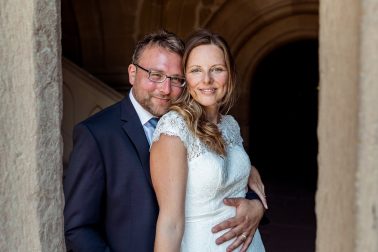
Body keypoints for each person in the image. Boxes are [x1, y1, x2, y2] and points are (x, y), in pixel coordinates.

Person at [64, 30, 266, 252]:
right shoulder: (97, 134)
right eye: (155, 75)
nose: (165, 89)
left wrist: (257, 202)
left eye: (176, 79)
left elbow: (220, 179)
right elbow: (78, 228)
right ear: (132, 73)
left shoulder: (210, 124)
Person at [150, 29, 266, 252]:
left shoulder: (230, 124)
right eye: (196, 70)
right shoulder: (174, 128)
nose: (206, 80)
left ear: (230, 74)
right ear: (185, 77)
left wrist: (256, 204)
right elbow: (169, 225)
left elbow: (232, 179)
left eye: (217, 69)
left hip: (251, 245)